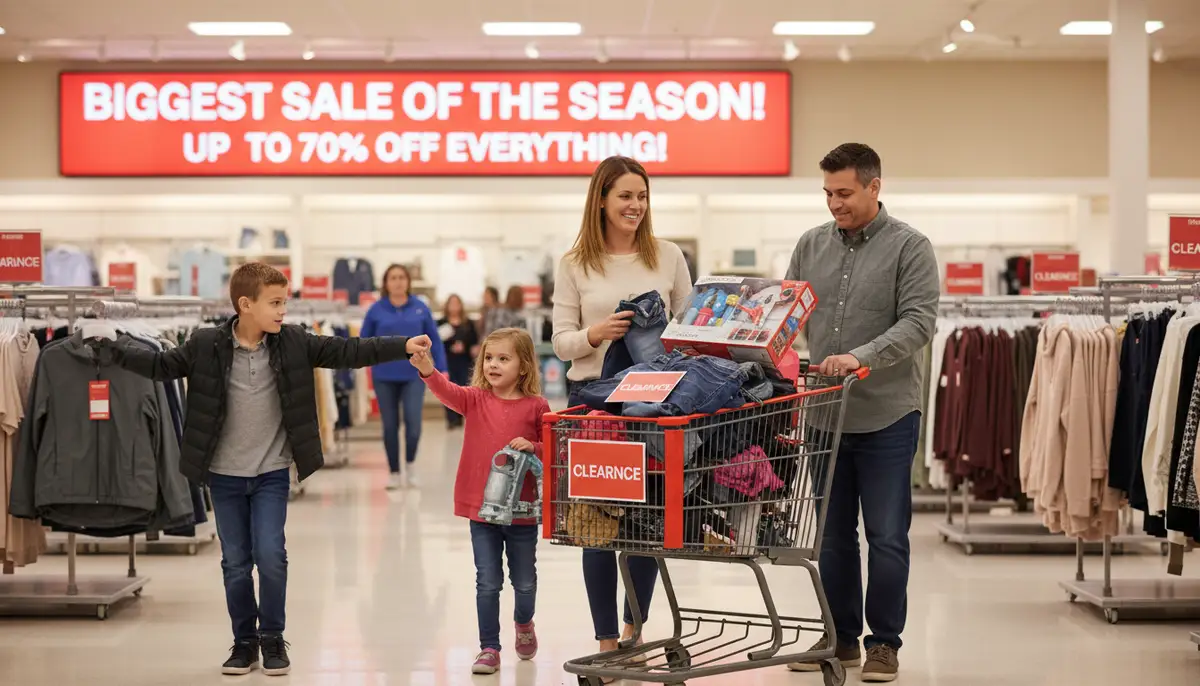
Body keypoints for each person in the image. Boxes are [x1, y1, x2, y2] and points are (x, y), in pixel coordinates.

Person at [94, 262, 431, 676]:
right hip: (223, 473)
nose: (283, 311)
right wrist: (109, 348)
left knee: (271, 556)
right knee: (236, 561)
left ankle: (272, 637)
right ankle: (243, 642)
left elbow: (348, 351)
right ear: (245, 304)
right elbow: (162, 366)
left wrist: (402, 346)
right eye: (275, 303)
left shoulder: (293, 341)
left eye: (284, 302)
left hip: (272, 471)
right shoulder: (205, 344)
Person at [784, 143, 939, 683]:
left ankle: (884, 643)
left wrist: (860, 357)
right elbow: (785, 313)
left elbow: (919, 323)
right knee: (830, 536)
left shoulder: (910, 248)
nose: (834, 204)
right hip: (824, 415)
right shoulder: (810, 245)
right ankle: (841, 638)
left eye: (844, 193)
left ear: (875, 187)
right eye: (827, 193)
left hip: (887, 416)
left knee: (887, 535)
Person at [551, 155, 692, 663]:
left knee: (647, 524)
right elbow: (561, 342)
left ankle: (634, 630)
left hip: (652, 404)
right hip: (594, 407)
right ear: (602, 200)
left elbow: (690, 330)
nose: (636, 205)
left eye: (642, 196)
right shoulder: (574, 264)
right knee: (596, 526)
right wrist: (597, 333)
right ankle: (606, 640)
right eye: (626, 196)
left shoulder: (668, 255)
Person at [412, 327, 550, 675]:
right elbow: (447, 391)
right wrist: (427, 368)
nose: (493, 365)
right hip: (483, 510)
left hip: (521, 512)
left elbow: (554, 450)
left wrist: (534, 447)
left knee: (525, 581)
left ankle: (524, 623)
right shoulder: (474, 399)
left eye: (504, 359)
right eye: (489, 358)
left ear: (523, 366)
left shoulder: (537, 406)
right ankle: (489, 646)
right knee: (487, 580)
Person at [362, 263, 447, 490]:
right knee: (390, 426)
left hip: (414, 375)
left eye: (402, 277)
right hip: (384, 375)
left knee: (414, 424)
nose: (398, 281)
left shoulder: (420, 307)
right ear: (386, 283)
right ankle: (393, 471)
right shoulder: (375, 310)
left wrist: (442, 367)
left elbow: (435, 340)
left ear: (408, 282)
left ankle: (409, 465)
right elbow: (362, 342)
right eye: (393, 278)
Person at [438, 294, 479, 428]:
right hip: (447, 360)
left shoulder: (468, 324)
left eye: (457, 303)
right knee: (448, 387)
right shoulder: (441, 323)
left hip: (464, 360)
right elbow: (437, 342)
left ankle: (461, 415)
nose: (454, 307)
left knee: (464, 386)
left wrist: (466, 347)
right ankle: (451, 418)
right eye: (452, 303)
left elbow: (474, 341)